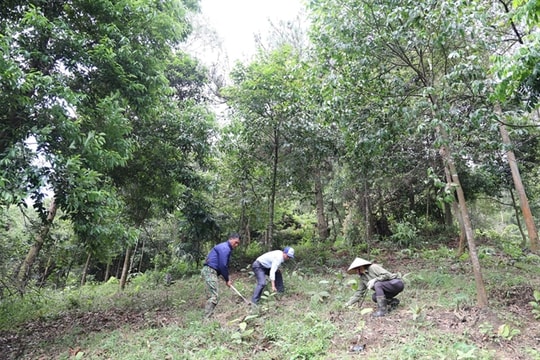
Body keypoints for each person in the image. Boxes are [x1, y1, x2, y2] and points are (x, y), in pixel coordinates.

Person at [201, 233, 241, 318]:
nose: (236, 245)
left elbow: (220, 266)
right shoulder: (225, 248)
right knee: (214, 296)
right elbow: (223, 265)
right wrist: (227, 279)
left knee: (211, 295)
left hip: (210, 271)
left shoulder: (225, 248)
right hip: (210, 271)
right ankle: (207, 318)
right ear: (231, 239)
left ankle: (208, 315)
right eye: (236, 242)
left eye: (238, 243)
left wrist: (225, 278)